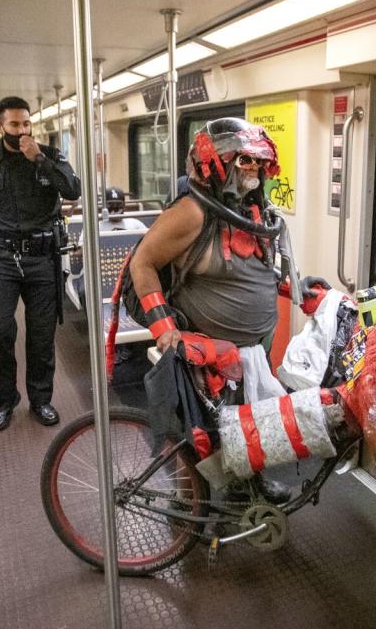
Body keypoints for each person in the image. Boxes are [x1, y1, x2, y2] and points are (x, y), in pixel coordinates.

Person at [129, 117, 316, 504]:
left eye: (257, 163)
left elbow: (254, 273)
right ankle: (187, 504)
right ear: (217, 163)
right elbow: (142, 263)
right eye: (243, 161)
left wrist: (298, 289)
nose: (253, 170)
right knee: (198, 433)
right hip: (207, 353)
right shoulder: (192, 213)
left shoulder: (256, 212)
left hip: (253, 350)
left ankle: (250, 482)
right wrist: (164, 328)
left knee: (251, 421)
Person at [0, 96, 81, 432]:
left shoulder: (49, 156)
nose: (21, 130)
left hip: (41, 258)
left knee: (41, 335)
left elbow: (73, 190)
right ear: (0, 126)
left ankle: (40, 400)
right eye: (14, 125)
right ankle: (5, 400)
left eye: (26, 124)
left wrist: (40, 160)